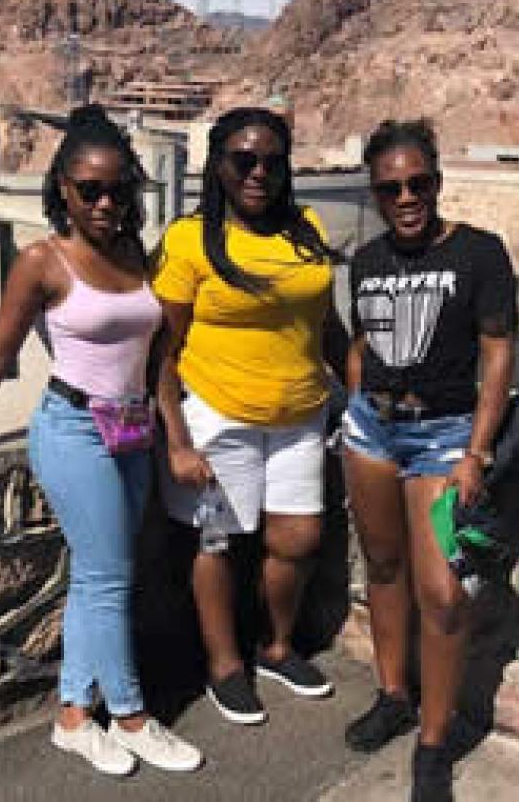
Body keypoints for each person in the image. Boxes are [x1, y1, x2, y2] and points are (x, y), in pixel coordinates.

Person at [0, 105, 201, 778]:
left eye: (119, 189)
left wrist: (171, 435)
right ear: (62, 186)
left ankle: (70, 716)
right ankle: (129, 716)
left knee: (97, 580)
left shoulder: (132, 254)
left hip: (130, 428)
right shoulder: (43, 260)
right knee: (110, 578)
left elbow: (159, 363)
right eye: (90, 189)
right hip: (72, 430)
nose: (105, 202)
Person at [153, 106, 347, 726]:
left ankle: (277, 647)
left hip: (301, 413)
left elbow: (328, 327)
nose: (257, 172)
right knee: (215, 541)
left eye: (271, 160)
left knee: (299, 539)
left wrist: (368, 392)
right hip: (217, 413)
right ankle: (224, 665)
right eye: (243, 159)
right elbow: (162, 351)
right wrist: (176, 439)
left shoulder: (306, 228)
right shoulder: (189, 239)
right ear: (219, 165)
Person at [340, 119, 516, 801]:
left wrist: (477, 450)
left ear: (437, 182)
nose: (406, 196)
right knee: (383, 568)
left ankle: (435, 742)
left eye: (419, 183)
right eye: (391, 187)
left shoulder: (479, 254)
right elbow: (361, 342)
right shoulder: (369, 259)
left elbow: (498, 351)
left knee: (443, 593)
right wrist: (357, 405)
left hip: (445, 437)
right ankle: (393, 696)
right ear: (376, 193)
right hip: (372, 432)